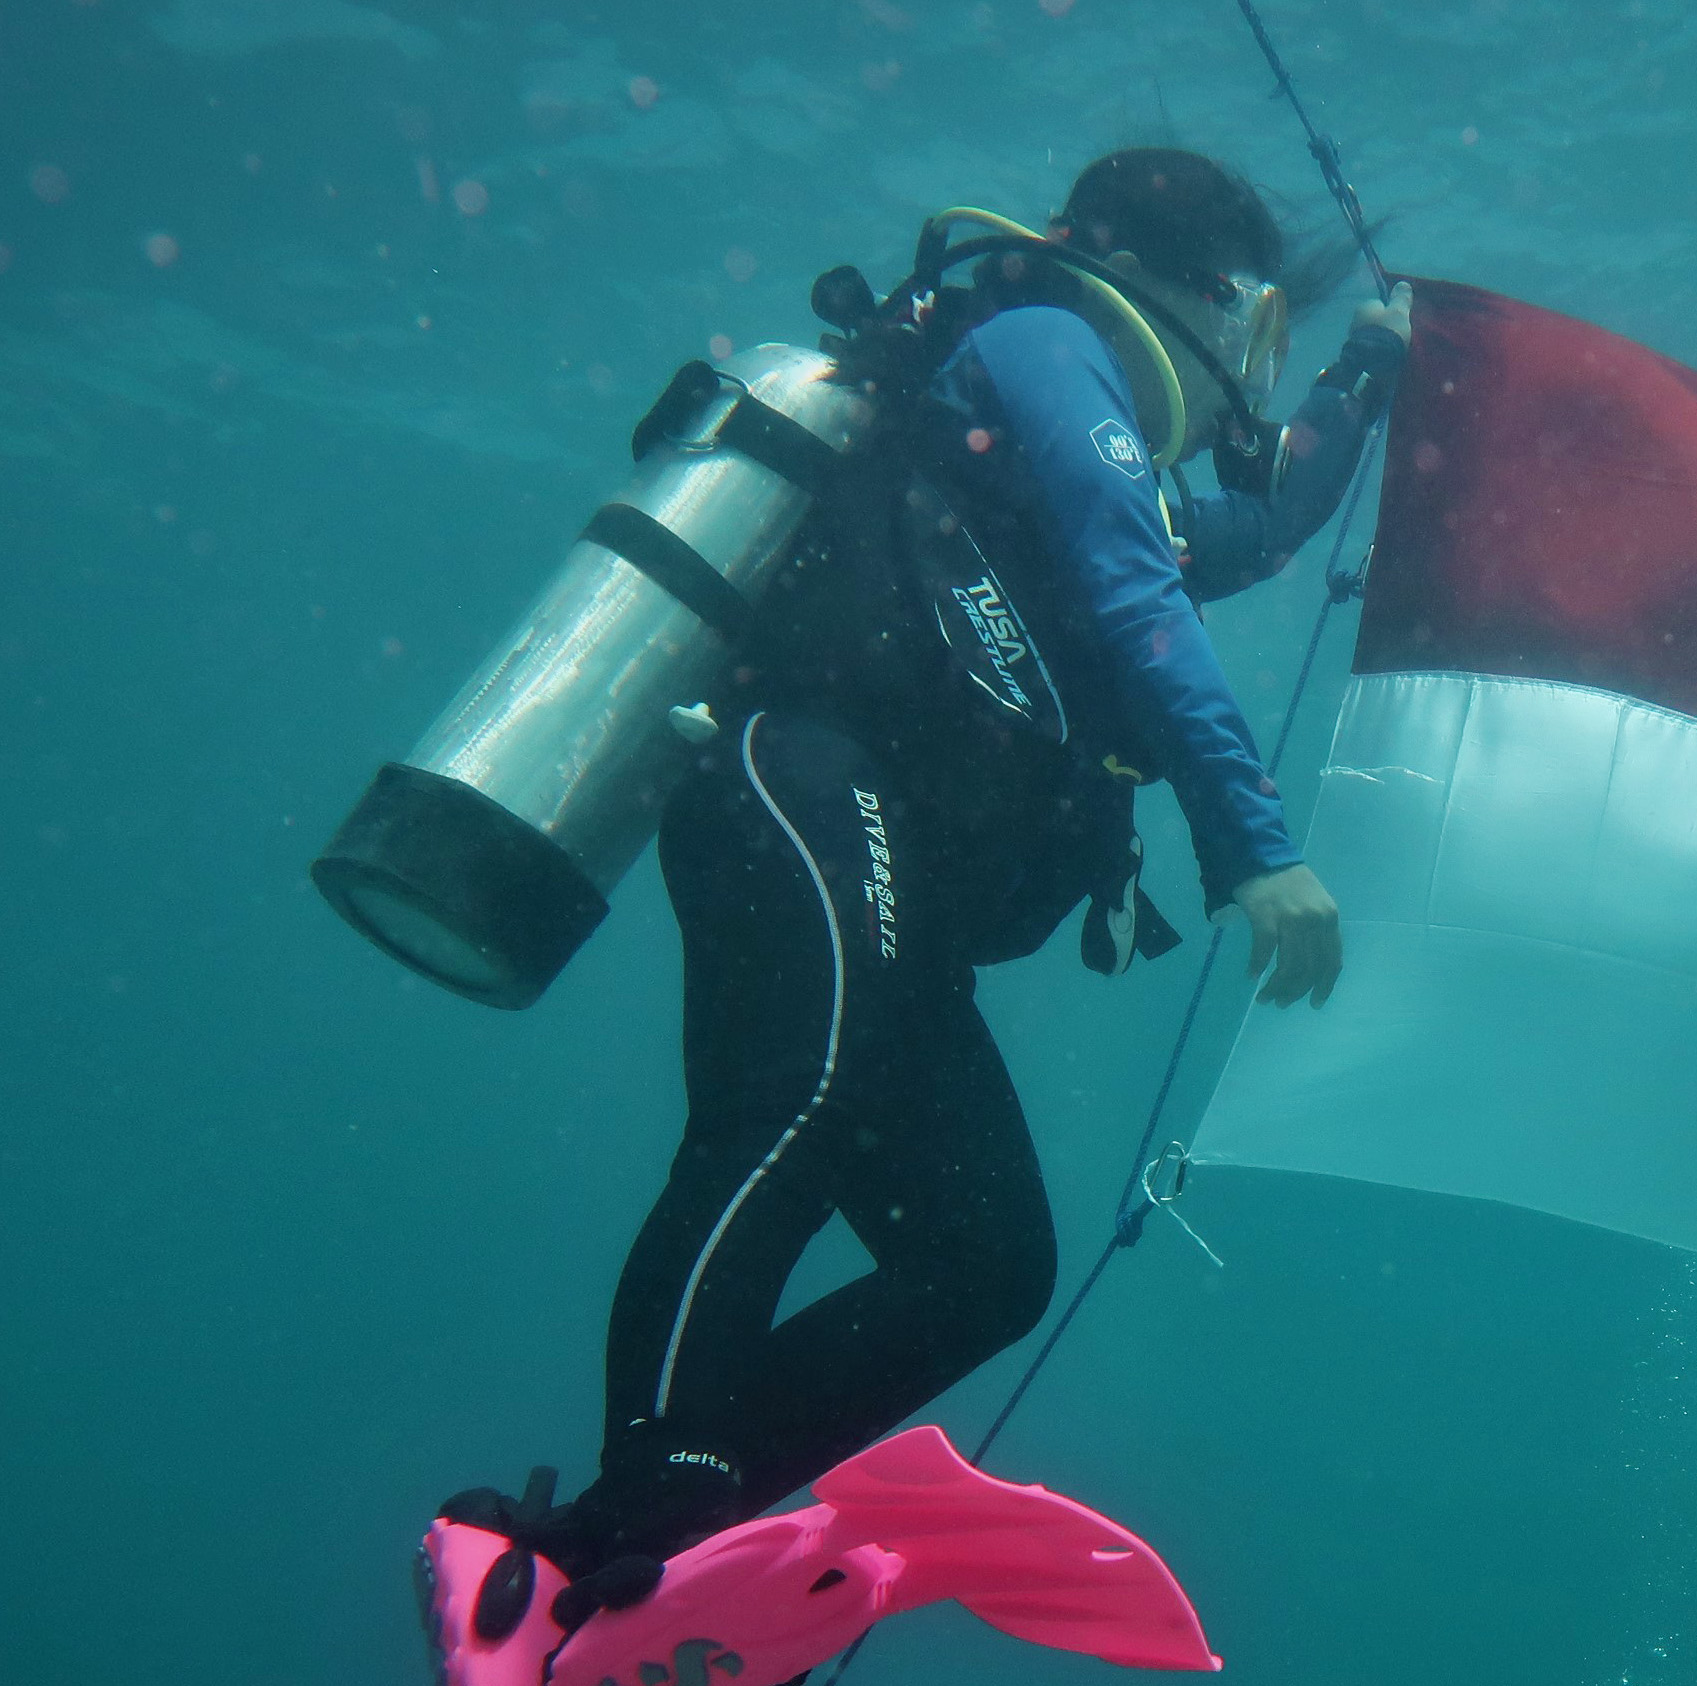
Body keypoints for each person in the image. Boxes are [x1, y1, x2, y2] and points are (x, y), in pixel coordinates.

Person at [510, 151, 1412, 1606]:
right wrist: (1253, 845)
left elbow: (1255, 528)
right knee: (788, 1106)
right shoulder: (1045, 345)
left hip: (890, 866)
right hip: (803, 785)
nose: (1252, 375)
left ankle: (619, 1554)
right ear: (1190, 292)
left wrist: (1370, 368)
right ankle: (643, 1488)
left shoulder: (1068, 425)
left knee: (990, 1261)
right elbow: (1135, 594)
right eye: (1256, 328)